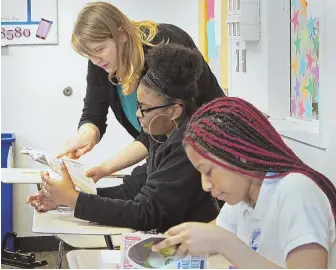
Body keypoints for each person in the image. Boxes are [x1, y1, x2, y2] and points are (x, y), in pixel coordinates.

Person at [27, 44, 219, 233]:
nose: (137, 114)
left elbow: (146, 212)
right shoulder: (162, 135)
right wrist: (68, 198)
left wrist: (74, 200)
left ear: (174, 110)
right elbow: (132, 189)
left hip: (198, 250)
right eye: (138, 105)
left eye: (144, 108)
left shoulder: (188, 146)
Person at [152, 97, 336, 268]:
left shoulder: (296, 191)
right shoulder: (243, 197)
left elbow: (220, 239)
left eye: (208, 171)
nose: (205, 185)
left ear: (240, 157)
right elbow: (208, 235)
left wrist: (224, 243)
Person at [57, 1, 224, 179]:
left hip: (208, 143)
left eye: (100, 49)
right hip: (167, 148)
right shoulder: (100, 62)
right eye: (89, 55)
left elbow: (158, 127)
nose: (95, 60)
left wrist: (106, 169)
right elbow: (93, 114)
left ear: (121, 34)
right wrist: (86, 135)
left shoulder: (164, 46)